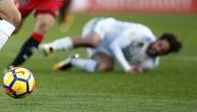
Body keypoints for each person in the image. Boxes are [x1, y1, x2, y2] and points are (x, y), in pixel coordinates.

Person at [39, 17, 182, 73]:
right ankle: (51, 46)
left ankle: (73, 60)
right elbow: (115, 45)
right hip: (102, 28)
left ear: (164, 54)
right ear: (158, 39)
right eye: (159, 44)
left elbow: (137, 68)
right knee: (92, 41)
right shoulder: (140, 33)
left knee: (106, 67)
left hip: (106, 51)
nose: (157, 48)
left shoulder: (150, 64)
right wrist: (127, 68)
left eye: (161, 51)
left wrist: (137, 69)